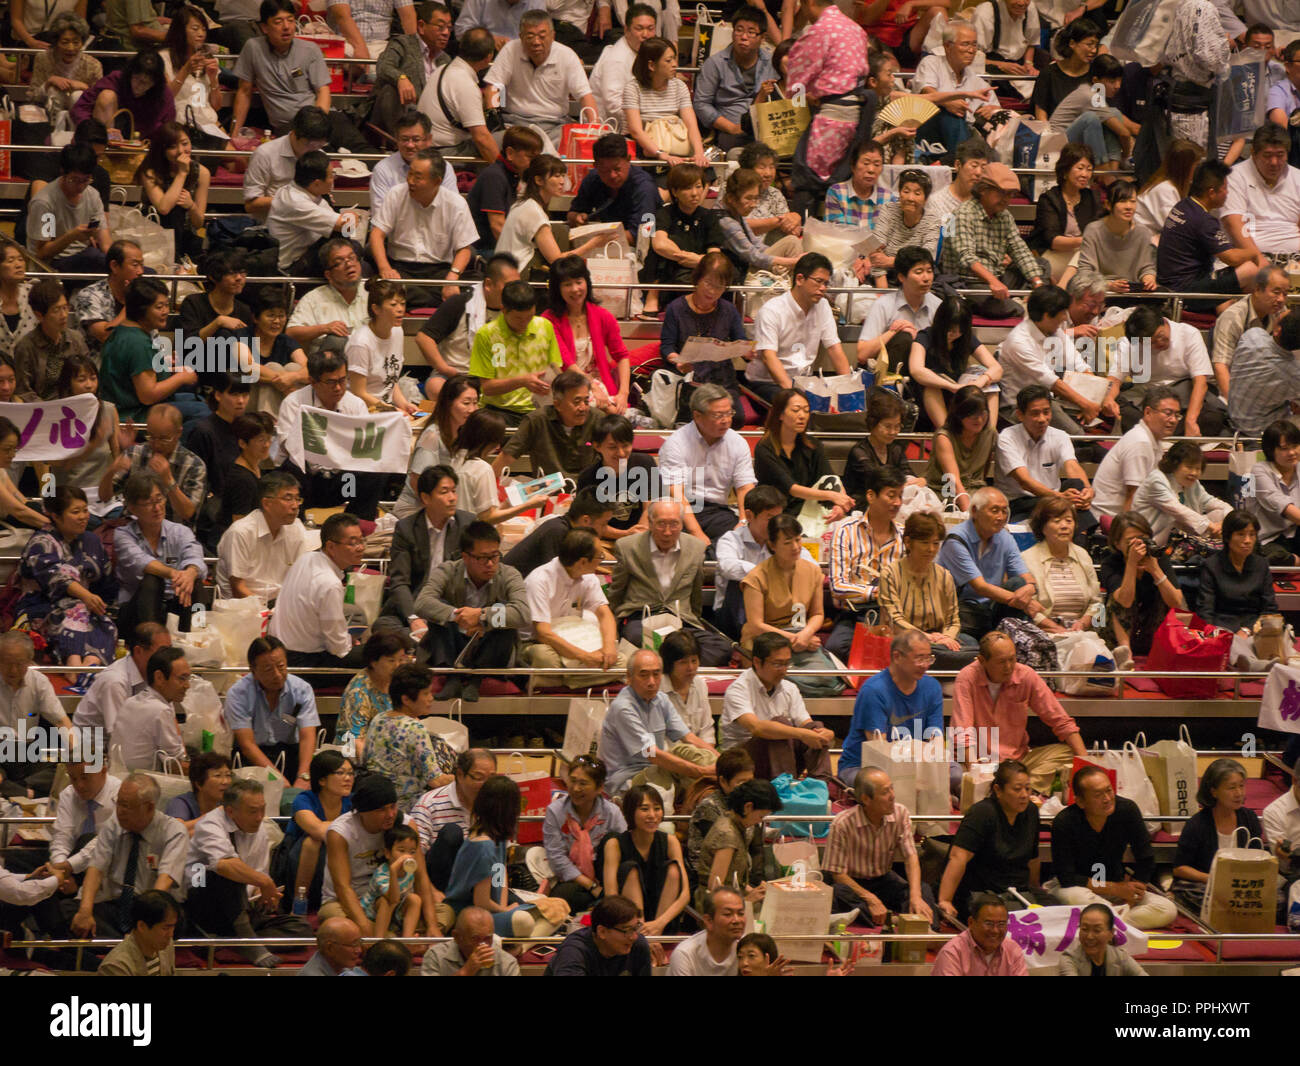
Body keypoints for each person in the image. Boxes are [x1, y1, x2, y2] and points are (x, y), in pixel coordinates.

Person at [185, 778, 309, 967]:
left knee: (302, 930)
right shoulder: (208, 825)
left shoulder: (258, 828)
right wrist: (265, 883)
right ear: (230, 811)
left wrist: (260, 895)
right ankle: (248, 943)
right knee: (227, 871)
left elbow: (258, 872)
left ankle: (234, 942)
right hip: (200, 895)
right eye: (253, 811)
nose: (260, 817)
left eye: (263, 809)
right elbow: (224, 865)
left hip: (241, 908)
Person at [1050, 765, 1178, 930]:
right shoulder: (1065, 821)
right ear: (1080, 801)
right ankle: (1110, 922)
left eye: (1109, 791)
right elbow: (1067, 877)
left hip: (1117, 889)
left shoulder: (1127, 810)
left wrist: (1135, 889)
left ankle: (1103, 923)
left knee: (1167, 909)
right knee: (1073, 896)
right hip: (1080, 890)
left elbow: (1145, 857)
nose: (1107, 799)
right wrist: (1116, 889)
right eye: (1098, 795)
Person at [230, 0, 368, 151]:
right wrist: (234, 133)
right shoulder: (253, 48)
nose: (286, 27)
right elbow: (244, 91)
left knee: (362, 150)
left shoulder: (310, 49)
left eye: (290, 20)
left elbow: (323, 90)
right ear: (264, 27)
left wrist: (316, 121)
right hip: (289, 125)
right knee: (318, 158)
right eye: (278, 22)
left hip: (322, 116)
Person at [608, 499, 732, 666]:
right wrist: (613, 630)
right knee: (636, 637)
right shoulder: (628, 547)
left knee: (722, 648)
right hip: (642, 618)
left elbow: (695, 593)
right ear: (650, 523)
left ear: (682, 524)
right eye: (661, 524)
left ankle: (661, 663)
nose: (667, 532)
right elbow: (617, 591)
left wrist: (693, 620)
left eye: (674, 524)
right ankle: (679, 662)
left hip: (679, 619)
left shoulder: (695, 548)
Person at [954, 631, 1087, 786]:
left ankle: (1013, 788)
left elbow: (1061, 721)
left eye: (1012, 659)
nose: (1009, 667)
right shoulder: (967, 677)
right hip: (979, 762)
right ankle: (1019, 788)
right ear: (982, 661)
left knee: (1070, 754)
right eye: (1001, 662)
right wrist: (975, 773)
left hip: (1017, 763)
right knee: (955, 775)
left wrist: (1085, 766)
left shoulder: (1025, 675)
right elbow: (962, 732)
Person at [415, 520, 528, 700]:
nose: (490, 564)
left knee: (503, 616)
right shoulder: (448, 570)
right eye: (483, 558)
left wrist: (481, 617)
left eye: (495, 556)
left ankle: (477, 680)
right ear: (465, 557)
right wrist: (458, 616)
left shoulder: (509, 574)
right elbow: (422, 603)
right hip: (453, 640)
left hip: (489, 643)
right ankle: (452, 678)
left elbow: (523, 612)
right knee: (440, 612)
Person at [69, 774, 188, 939]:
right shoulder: (114, 824)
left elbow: (163, 885)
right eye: (118, 803)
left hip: (153, 909)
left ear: (149, 808)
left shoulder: (174, 832)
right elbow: (96, 869)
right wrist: (85, 911)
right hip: (114, 904)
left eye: (126, 806)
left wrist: (141, 926)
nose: (120, 811)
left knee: (157, 927)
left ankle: (118, 948)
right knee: (67, 912)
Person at [446, 775, 566, 936]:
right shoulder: (483, 847)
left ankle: (519, 945)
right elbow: (481, 902)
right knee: (524, 920)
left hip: (494, 910)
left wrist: (504, 908)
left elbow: (500, 875)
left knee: (559, 906)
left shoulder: (498, 838)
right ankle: (519, 944)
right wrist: (505, 910)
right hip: (471, 915)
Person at [938, 760, 1054, 921]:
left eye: (1027, 789)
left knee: (1059, 913)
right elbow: (958, 857)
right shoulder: (982, 813)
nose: (1024, 795)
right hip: (983, 894)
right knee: (1016, 918)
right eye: (1017, 789)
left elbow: (1033, 859)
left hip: (1019, 891)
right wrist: (945, 900)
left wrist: (1035, 891)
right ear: (998, 790)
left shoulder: (1031, 812)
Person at [275, 349, 383, 519]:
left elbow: (364, 447)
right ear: (313, 381)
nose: (339, 388)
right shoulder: (293, 403)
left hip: (344, 483)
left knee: (375, 468)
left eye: (342, 380)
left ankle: (355, 524)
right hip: (307, 482)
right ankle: (296, 526)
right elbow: (289, 447)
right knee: (292, 466)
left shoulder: (355, 404)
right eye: (331, 382)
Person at [16, 486, 114, 668]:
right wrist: (86, 596)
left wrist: (101, 603)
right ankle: (73, 663)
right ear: (55, 515)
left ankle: (91, 665)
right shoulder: (42, 542)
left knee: (105, 624)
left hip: (86, 606)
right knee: (75, 610)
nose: (84, 516)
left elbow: (105, 579)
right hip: (41, 607)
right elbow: (57, 578)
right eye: (75, 512)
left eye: (85, 510)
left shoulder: (91, 540)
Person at [741, 514, 839, 692]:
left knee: (827, 680)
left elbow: (817, 614)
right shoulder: (756, 577)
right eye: (787, 543)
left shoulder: (813, 570)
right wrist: (793, 639)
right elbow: (755, 625)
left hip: (802, 639)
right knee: (776, 678)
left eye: (798, 539)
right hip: (767, 642)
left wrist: (806, 634)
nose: (795, 547)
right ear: (772, 545)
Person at [824, 767, 936, 923]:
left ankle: (927, 931)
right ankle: (893, 920)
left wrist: (915, 896)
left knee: (922, 889)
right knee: (837, 894)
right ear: (866, 799)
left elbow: (911, 857)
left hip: (883, 880)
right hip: (853, 884)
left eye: (892, 788)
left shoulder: (900, 813)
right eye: (885, 792)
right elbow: (838, 874)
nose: (892, 796)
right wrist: (871, 899)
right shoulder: (842, 823)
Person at [601, 649, 717, 796]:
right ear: (629, 677)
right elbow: (652, 754)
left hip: (657, 767)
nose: (651, 682)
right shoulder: (623, 708)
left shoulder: (660, 699)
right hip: (629, 778)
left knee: (695, 754)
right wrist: (701, 772)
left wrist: (722, 761)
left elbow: (688, 737)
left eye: (656, 674)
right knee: (696, 779)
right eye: (644, 675)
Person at [719, 631, 835, 779]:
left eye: (787, 663)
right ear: (757, 662)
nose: (784, 670)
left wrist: (824, 734)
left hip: (784, 757)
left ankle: (820, 786)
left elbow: (806, 724)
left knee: (815, 727)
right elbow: (757, 728)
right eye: (777, 664)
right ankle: (785, 791)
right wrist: (801, 734)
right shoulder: (738, 689)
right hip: (743, 763)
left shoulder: (789, 688)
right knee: (779, 726)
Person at [940, 161, 1048, 318]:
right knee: (1010, 309)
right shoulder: (961, 214)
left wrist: (1037, 283)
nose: (1006, 199)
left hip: (997, 275)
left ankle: (1026, 297)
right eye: (1001, 193)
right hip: (967, 282)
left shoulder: (1005, 216)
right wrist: (992, 281)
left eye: (1010, 194)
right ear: (983, 190)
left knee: (1042, 265)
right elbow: (966, 256)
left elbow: (1019, 249)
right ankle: (1020, 302)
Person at [370, 149, 477, 303]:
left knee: (470, 290)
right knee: (388, 289)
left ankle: (422, 299)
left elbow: (464, 249)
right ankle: (429, 300)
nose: (410, 181)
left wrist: (453, 277)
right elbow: (376, 234)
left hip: (440, 271)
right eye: (410, 174)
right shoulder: (396, 194)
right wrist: (385, 268)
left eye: (418, 177)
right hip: (401, 270)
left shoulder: (456, 204)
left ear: (437, 181)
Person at [995, 283, 1105, 434]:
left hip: (1048, 399)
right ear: (1047, 315)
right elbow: (1051, 381)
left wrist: (1094, 396)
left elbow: (1078, 363)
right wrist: (1085, 404)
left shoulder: (1053, 329)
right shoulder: (1018, 342)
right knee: (1077, 435)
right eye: (1063, 312)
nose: (1066, 317)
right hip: (1020, 407)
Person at [380, 465, 475, 633]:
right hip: (414, 602)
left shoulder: (468, 524)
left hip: (451, 604)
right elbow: (399, 582)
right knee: (383, 628)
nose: (452, 498)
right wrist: (414, 619)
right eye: (444, 492)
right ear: (426, 498)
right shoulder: (406, 528)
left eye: (454, 491)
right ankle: (427, 641)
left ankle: (427, 642)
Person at [879, 511, 979, 668]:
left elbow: (953, 620)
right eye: (925, 543)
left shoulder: (944, 576)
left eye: (936, 543)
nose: (931, 549)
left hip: (939, 640)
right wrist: (929, 638)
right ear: (908, 542)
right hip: (904, 638)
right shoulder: (890, 574)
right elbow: (896, 621)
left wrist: (946, 637)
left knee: (972, 645)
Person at [658, 383, 756, 543]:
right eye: (718, 415)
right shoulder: (676, 443)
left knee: (740, 541)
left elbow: (745, 487)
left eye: (729, 413)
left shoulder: (737, 442)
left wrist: (744, 522)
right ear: (697, 416)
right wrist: (696, 532)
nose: (726, 420)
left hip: (718, 511)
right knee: (685, 543)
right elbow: (677, 494)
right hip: (681, 511)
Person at [266, 512, 367, 668]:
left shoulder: (305, 559)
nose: (361, 548)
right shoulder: (329, 583)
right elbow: (338, 648)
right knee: (379, 653)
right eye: (353, 543)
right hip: (303, 661)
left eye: (362, 541)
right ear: (331, 547)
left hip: (279, 649)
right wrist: (350, 641)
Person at [112, 473, 207, 638]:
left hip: (175, 602)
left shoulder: (179, 531)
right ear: (132, 508)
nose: (157, 508)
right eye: (149, 503)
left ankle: (197, 638)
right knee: (152, 579)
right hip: (136, 609)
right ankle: (152, 643)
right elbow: (141, 562)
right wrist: (175, 574)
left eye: (159, 499)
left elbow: (195, 556)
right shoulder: (123, 535)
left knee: (195, 583)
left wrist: (189, 574)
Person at [522, 528, 624, 679]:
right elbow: (543, 634)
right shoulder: (539, 580)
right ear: (583, 562)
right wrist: (584, 657)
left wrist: (608, 647)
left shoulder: (588, 577)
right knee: (545, 659)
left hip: (575, 636)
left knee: (623, 662)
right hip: (540, 642)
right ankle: (583, 676)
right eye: (600, 556)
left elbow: (604, 614)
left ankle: (569, 678)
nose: (601, 560)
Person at [784, 0, 869, 182]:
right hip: (858, 115)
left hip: (832, 118)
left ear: (810, 3)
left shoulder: (820, 30)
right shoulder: (855, 28)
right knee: (844, 180)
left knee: (813, 180)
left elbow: (797, 82)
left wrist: (800, 101)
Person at [841, 628, 944, 778]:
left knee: (953, 774)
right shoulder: (874, 690)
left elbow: (936, 737)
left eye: (929, 658)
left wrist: (936, 768)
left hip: (915, 761)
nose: (925, 665)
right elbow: (879, 749)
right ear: (897, 656)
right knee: (881, 784)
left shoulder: (932, 686)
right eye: (919, 658)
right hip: (864, 765)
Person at [659, 253, 747, 426]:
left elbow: (741, 341)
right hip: (689, 378)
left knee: (735, 419)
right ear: (698, 279)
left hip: (722, 380)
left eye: (720, 287)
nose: (712, 291)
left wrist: (748, 352)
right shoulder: (676, 308)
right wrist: (677, 361)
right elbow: (667, 346)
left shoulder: (728, 310)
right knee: (696, 419)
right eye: (708, 283)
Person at [1156, 160, 1261, 307]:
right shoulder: (1203, 220)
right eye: (1224, 188)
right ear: (1211, 192)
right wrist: (1255, 253)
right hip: (1183, 291)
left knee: (1226, 304)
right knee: (1249, 270)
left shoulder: (1184, 205)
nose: (1227, 192)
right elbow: (1232, 258)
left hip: (1171, 284)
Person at [1108, 307, 1226, 436]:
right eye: (1151, 343)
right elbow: (1114, 380)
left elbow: (1200, 382)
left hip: (1183, 401)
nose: (1159, 343)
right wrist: (1108, 400)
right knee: (1114, 405)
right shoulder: (1129, 344)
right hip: (1147, 401)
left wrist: (1190, 421)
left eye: (1161, 336)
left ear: (1164, 322)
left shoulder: (1188, 333)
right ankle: (1158, 432)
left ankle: (1153, 432)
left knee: (1212, 418)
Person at [1172, 758, 1270, 913]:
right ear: (1214, 791)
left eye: (1241, 786)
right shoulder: (1197, 824)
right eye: (1231, 788)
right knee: (1203, 898)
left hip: (1243, 886)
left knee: (1276, 898)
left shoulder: (1249, 818)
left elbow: (1260, 857)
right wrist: (1212, 879)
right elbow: (1180, 868)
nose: (1238, 793)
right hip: (1208, 884)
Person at [99, 279, 202, 426]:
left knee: (196, 399)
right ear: (141, 309)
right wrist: (181, 377)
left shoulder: (123, 331)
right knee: (202, 411)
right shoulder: (138, 343)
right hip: (134, 416)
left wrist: (164, 364)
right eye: (159, 307)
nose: (165, 311)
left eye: (167, 305)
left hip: (127, 408)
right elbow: (148, 395)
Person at [826, 466, 904, 660]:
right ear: (871, 495)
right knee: (836, 647)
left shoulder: (905, 534)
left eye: (900, 496)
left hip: (896, 613)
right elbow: (837, 587)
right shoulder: (845, 532)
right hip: (855, 614)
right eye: (891, 495)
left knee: (915, 647)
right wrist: (876, 592)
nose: (897, 503)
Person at [485, 12, 597, 143]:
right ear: (521, 37)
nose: (536, 42)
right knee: (494, 141)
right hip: (514, 123)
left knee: (573, 144)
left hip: (556, 124)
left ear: (553, 36)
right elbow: (494, 87)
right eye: (530, 36)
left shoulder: (567, 55)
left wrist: (594, 126)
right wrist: (495, 121)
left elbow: (585, 95)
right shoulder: (510, 50)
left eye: (542, 36)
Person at [225, 635, 320, 787]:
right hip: (253, 759)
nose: (277, 675)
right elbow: (247, 744)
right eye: (268, 669)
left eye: (281, 666)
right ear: (253, 671)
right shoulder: (238, 694)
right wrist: (276, 778)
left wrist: (304, 776)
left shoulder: (301, 690)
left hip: (290, 753)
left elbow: (307, 736)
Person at [995, 384, 1094, 525]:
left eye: (1046, 412)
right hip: (1019, 503)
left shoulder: (1060, 436)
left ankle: (1081, 540)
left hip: (1052, 500)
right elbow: (1024, 481)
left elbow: (1072, 466)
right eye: (1035, 413)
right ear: (1020, 415)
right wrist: (1059, 497)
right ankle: (1084, 539)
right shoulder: (1007, 438)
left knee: (1077, 485)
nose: (1042, 419)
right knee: (1064, 508)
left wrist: (1087, 491)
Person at [468, 279, 562, 426]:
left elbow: (555, 367)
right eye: (518, 318)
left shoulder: (545, 326)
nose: (524, 323)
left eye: (529, 317)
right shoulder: (486, 334)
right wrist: (522, 381)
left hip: (540, 410)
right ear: (503, 309)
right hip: (500, 412)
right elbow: (487, 388)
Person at [543, 755, 627, 911]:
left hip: (606, 877)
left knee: (613, 840)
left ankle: (607, 902)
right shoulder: (555, 812)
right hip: (574, 878)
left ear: (600, 787)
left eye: (583, 783)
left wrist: (605, 887)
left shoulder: (611, 813)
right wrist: (591, 885)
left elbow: (625, 849)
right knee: (563, 897)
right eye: (573, 781)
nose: (575, 788)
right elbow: (557, 857)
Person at [603, 784, 689, 935]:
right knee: (630, 869)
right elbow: (611, 895)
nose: (652, 815)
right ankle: (641, 933)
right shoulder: (614, 844)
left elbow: (685, 894)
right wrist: (639, 928)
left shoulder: (670, 841)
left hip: (663, 921)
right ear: (630, 812)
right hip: (627, 922)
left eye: (657, 808)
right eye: (644, 809)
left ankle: (653, 937)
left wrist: (658, 924)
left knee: (674, 869)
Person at [497, 158, 606, 277]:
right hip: (517, 272)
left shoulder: (523, 203)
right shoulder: (533, 211)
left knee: (559, 231)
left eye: (563, 176)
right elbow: (557, 260)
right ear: (539, 180)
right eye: (557, 176)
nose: (562, 181)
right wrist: (593, 244)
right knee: (561, 235)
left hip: (504, 269)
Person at [755, 389, 853, 522]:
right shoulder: (764, 448)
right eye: (796, 410)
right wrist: (831, 496)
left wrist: (840, 503)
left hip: (808, 510)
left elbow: (830, 477)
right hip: (776, 514)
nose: (802, 416)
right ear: (780, 415)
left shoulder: (813, 445)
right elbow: (793, 489)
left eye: (806, 410)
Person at [102, 405, 205, 527]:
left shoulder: (194, 465)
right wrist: (110, 472)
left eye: (164, 439)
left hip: (175, 534)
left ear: (178, 433)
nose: (156, 444)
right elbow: (104, 497)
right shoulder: (135, 453)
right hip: (132, 529)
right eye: (151, 437)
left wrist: (168, 480)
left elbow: (188, 514)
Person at [72, 622, 168, 753]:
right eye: (163, 652)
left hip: (125, 746)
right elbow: (120, 738)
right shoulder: (115, 681)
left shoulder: (155, 674)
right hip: (90, 756)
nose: (169, 658)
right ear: (139, 651)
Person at [1100, 511, 1186, 656]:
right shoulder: (1110, 562)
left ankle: (1163, 649)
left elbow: (1177, 602)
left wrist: (1155, 570)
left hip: (1150, 627)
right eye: (1130, 541)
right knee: (1116, 601)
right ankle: (1125, 655)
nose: (1138, 545)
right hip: (1116, 635)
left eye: (1142, 539)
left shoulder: (1159, 559)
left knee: (1164, 592)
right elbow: (1124, 602)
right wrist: (1131, 565)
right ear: (1117, 543)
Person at [214, 471, 309, 602]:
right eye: (288, 498)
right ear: (267, 504)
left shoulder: (296, 527)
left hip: (281, 604)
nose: (295, 506)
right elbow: (238, 587)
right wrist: (267, 611)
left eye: (297, 499)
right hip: (242, 609)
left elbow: (301, 577)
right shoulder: (241, 532)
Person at [0, 631, 73, 798]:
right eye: (6, 663)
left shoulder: (39, 682)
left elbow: (61, 722)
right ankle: (28, 792)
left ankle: (17, 790)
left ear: (29, 661)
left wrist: (77, 752)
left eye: (19, 664)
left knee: (65, 773)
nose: (12, 670)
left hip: (28, 752)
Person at [1090, 385, 1181, 517]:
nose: (1173, 420)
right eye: (1168, 413)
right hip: (1110, 522)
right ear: (1148, 412)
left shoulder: (1154, 439)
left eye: (1177, 415)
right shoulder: (1140, 442)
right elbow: (1133, 499)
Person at [500, 365, 602, 479]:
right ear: (557, 404)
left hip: (588, 491)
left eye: (586, 401)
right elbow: (506, 457)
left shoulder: (597, 419)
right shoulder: (537, 420)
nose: (583, 408)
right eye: (577, 402)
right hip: (549, 492)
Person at [1020, 497, 1104, 634]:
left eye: (1069, 521)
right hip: (1043, 634)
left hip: (1081, 634)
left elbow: (1098, 603)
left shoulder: (1083, 555)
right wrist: (1055, 629)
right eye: (1057, 521)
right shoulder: (1027, 559)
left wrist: (1083, 624)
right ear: (1042, 528)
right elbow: (1027, 606)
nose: (1064, 526)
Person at [267, 150, 358, 276]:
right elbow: (346, 226)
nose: (333, 179)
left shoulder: (306, 190)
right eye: (331, 175)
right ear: (316, 183)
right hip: (292, 266)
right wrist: (352, 216)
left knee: (350, 246)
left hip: (310, 248)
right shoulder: (296, 202)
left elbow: (345, 231)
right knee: (351, 251)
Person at [417, 27, 499, 164]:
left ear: (461, 46)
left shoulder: (442, 69)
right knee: (505, 141)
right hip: (444, 153)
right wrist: (503, 172)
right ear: (489, 57)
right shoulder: (466, 84)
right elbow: (481, 138)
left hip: (428, 147)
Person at [284, 750, 353, 910]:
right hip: (298, 859)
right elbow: (317, 830)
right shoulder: (304, 799)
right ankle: (299, 904)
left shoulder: (352, 801)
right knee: (312, 841)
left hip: (340, 857)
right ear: (322, 780)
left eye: (350, 773)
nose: (348, 778)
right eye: (340, 773)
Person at [622, 36, 706, 168]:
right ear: (651, 65)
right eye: (668, 60)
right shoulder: (633, 88)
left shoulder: (680, 86)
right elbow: (636, 131)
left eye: (674, 58)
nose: (675, 64)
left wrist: (699, 153)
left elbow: (691, 125)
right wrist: (661, 154)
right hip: (645, 148)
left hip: (676, 145)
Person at [1132, 440, 1231, 548]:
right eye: (1189, 467)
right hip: (1151, 537)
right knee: (1177, 520)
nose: (1194, 473)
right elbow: (1179, 511)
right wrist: (1211, 526)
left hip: (1182, 536)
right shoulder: (1156, 480)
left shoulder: (1193, 484)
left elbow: (1213, 502)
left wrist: (1225, 522)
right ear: (1174, 465)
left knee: (1222, 514)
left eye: (1197, 469)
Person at [1211, 265, 1290, 400]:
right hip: (1232, 386)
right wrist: (1235, 406)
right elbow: (1221, 365)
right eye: (1276, 292)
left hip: (1264, 387)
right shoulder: (1233, 317)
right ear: (1258, 290)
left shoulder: (1281, 313)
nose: (1281, 299)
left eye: (1285, 294)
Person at [566, 133, 660, 246]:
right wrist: (577, 217)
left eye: (617, 169)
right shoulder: (593, 179)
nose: (612, 175)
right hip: (607, 247)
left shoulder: (644, 188)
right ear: (595, 165)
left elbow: (644, 235)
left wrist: (597, 239)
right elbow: (573, 212)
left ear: (628, 160)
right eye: (605, 170)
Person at [1222, 124, 1300, 260]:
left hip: (1294, 258)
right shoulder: (1235, 177)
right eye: (1267, 155)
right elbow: (1233, 223)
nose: (1274, 162)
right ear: (1253, 153)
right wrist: (1259, 259)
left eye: (1280, 155)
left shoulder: (1297, 177)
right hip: (1251, 258)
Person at [1196, 509, 1277, 636]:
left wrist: (1247, 630)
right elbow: (1205, 611)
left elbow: (1269, 609)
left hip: (1254, 631)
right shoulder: (1212, 565)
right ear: (1228, 537)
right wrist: (1216, 635)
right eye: (1241, 534)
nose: (1247, 540)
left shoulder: (1261, 565)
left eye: (1252, 534)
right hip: (1221, 631)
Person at [242, 107, 330, 221]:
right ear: (295, 133)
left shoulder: (318, 154)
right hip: (272, 228)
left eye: (320, 145)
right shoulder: (265, 154)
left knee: (347, 231)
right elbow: (250, 205)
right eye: (311, 144)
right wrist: (292, 201)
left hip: (311, 226)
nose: (315, 150)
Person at [135, 123, 208, 261]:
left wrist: (191, 206)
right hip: (154, 234)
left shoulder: (202, 173)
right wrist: (182, 173)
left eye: (185, 143)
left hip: (185, 237)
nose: (181, 151)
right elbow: (163, 208)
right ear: (162, 150)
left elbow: (198, 223)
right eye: (172, 147)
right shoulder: (150, 172)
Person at [575, 415, 656, 539]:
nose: (621, 453)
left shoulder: (645, 463)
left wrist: (637, 537)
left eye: (625, 445)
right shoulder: (587, 478)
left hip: (642, 536)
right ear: (597, 446)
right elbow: (591, 524)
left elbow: (651, 508)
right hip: (604, 540)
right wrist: (626, 535)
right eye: (613, 447)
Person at [503, 487, 614, 576]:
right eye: (604, 524)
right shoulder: (557, 531)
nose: (604, 530)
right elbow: (553, 578)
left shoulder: (569, 531)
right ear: (586, 520)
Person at [717, 168, 803, 281]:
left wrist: (782, 260)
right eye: (748, 198)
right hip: (741, 272)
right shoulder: (725, 221)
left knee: (792, 241)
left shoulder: (736, 213)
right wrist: (793, 262)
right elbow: (752, 256)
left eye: (756, 198)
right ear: (731, 198)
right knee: (792, 248)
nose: (753, 205)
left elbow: (758, 246)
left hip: (750, 265)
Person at [285, 239, 369, 356]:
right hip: (329, 367)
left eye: (352, 258)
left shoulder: (371, 292)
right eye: (339, 262)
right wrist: (324, 328)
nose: (349, 264)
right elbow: (291, 333)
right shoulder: (314, 299)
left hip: (368, 363)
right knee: (336, 341)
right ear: (328, 275)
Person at [73, 49, 176, 143]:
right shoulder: (116, 79)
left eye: (146, 83)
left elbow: (168, 127)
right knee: (106, 96)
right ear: (130, 73)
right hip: (106, 136)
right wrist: (94, 131)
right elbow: (81, 107)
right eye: (136, 79)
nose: (139, 86)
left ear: (155, 83)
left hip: (143, 143)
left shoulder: (163, 93)